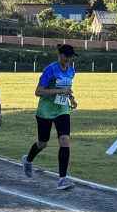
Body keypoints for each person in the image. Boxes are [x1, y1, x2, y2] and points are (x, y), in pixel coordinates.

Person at [21, 44, 77, 190]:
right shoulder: (50, 69)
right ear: (60, 55)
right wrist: (58, 91)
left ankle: (62, 179)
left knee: (65, 140)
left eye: (71, 56)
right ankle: (28, 160)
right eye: (67, 56)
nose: (69, 59)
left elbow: (67, 88)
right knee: (42, 143)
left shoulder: (71, 70)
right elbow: (38, 91)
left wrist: (71, 98)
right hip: (45, 111)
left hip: (62, 110)